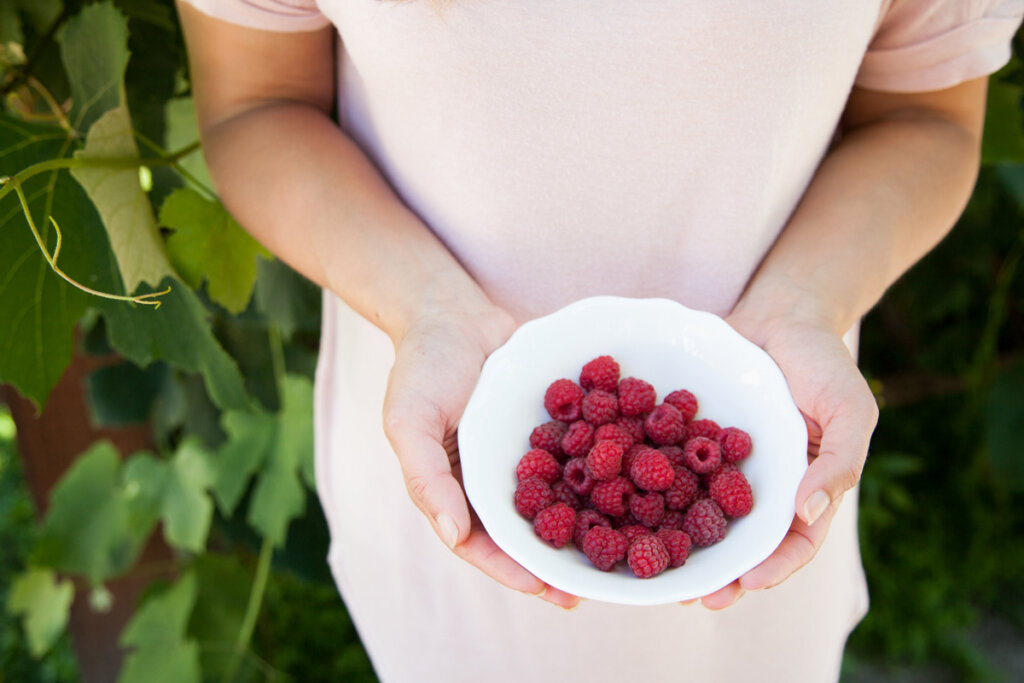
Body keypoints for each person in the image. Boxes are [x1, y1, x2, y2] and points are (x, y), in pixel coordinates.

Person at [176, 1, 1023, 680]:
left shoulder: (701, 471)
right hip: (449, 447)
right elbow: (258, 102)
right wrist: (420, 303)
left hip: (773, 448)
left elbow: (925, 116)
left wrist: (806, 300)